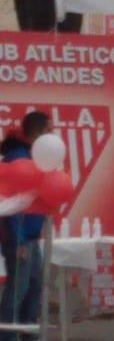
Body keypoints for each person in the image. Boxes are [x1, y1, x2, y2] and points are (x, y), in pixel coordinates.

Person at [1, 112, 51, 341]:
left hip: (31, 235)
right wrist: (18, 239)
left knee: (33, 287)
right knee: (17, 289)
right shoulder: (17, 159)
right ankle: (7, 335)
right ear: (37, 133)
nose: (53, 136)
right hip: (18, 236)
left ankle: (29, 334)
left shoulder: (34, 157)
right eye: (49, 131)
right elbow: (8, 203)